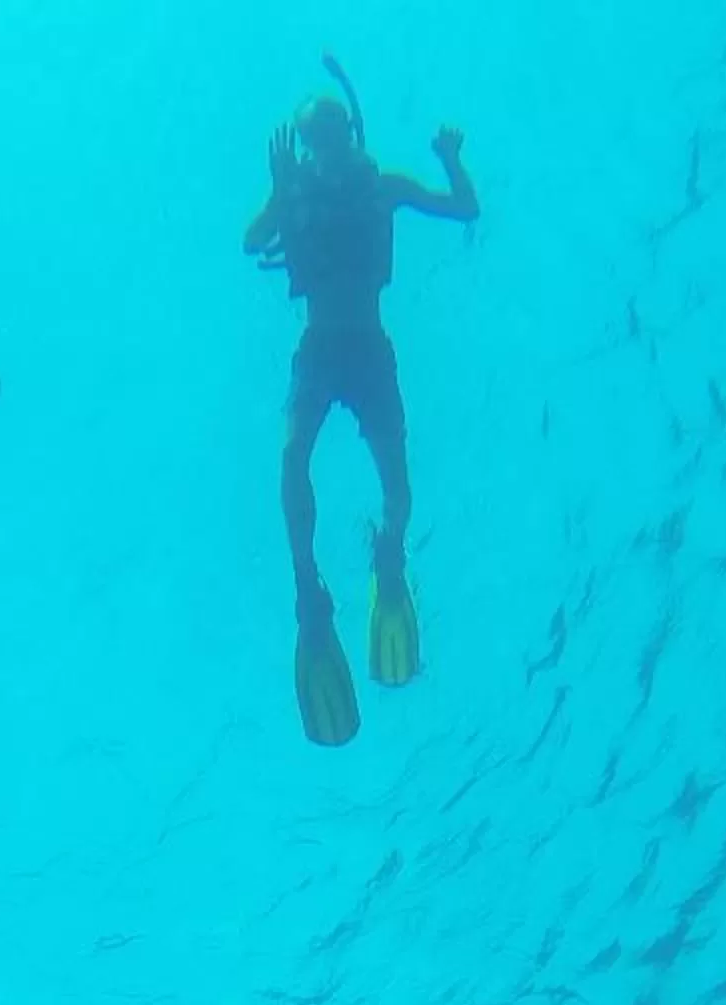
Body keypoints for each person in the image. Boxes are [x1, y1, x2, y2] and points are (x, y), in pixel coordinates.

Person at [242, 58, 478, 744]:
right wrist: (278, 190)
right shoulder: (297, 191)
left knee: (397, 486)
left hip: (369, 350)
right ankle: (307, 591)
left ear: (351, 131)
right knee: (291, 461)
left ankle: (389, 555)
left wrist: (451, 157)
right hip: (319, 350)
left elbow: (465, 207)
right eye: (317, 137)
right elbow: (251, 241)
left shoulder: (385, 186)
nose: (330, 145)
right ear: (309, 143)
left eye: (335, 132)